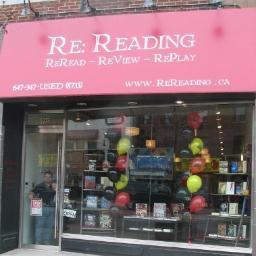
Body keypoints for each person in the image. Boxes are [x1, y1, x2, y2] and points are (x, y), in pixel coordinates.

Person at [29, 171, 56, 245]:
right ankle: (38, 241)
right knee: (39, 225)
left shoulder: (54, 186)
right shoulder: (39, 186)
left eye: (49, 177)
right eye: (46, 177)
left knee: (49, 226)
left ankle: (46, 241)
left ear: (51, 178)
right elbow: (32, 193)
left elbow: (61, 195)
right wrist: (31, 196)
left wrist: (56, 189)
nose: (47, 178)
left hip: (51, 208)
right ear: (44, 177)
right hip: (41, 207)